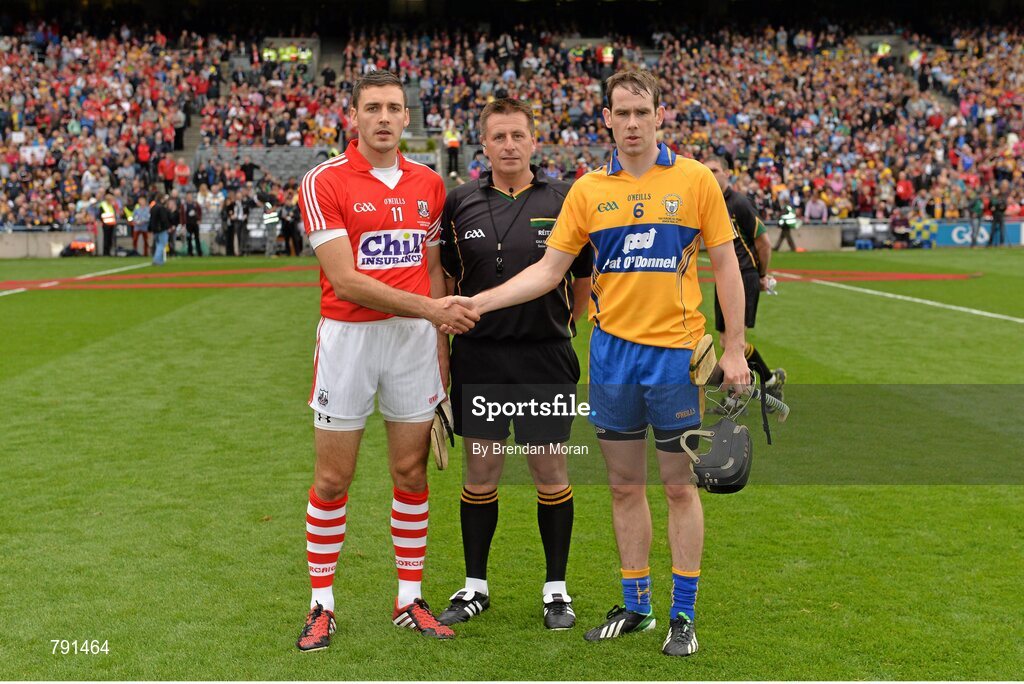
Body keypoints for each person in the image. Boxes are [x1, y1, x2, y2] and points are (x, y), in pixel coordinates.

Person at [447, 69, 750, 657]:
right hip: (611, 357)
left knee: (679, 488)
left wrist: (734, 348)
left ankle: (681, 614)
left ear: (660, 115)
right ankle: (636, 605)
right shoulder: (587, 191)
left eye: (642, 113)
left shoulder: (694, 181)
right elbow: (547, 273)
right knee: (622, 486)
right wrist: (475, 302)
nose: (632, 124)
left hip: (675, 358)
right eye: (622, 114)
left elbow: (727, 265)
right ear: (606, 119)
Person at [293, 70, 479, 652]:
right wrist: (433, 309)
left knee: (411, 473)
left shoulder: (428, 183)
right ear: (353, 115)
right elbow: (345, 280)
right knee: (332, 478)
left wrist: (439, 344)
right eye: (371, 107)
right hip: (349, 341)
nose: (382, 117)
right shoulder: (323, 180)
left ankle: (410, 599)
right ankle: (321, 604)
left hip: (414, 344)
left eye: (393, 108)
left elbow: (430, 267)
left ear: (406, 118)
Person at [435, 98, 593, 631]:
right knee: (481, 470)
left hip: (544, 359)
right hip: (479, 359)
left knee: (550, 468)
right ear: (484, 145)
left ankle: (556, 591)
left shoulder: (565, 197)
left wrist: (561, 327)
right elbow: (451, 285)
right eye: (498, 137)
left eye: (517, 136)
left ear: (533, 141)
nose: (508, 145)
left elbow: (583, 282)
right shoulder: (458, 203)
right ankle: (475, 585)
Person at [704, 155, 786, 402]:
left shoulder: (739, 203)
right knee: (723, 339)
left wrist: (761, 274)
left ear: (727, 173)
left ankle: (735, 398)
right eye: (706, 171)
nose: (711, 174)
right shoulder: (708, 203)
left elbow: (764, 242)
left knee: (735, 340)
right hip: (724, 278)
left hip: (744, 275)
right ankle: (770, 380)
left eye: (715, 170)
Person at [149, 195, 174, 266]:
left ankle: (160, 261)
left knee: (158, 244)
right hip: (161, 229)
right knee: (161, 244)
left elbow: (151, 219)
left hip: (155, 230)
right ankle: (156, 260)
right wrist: (168, 227)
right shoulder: (161, 208)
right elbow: (164, 219)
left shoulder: (153, 208)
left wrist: (150, 229)